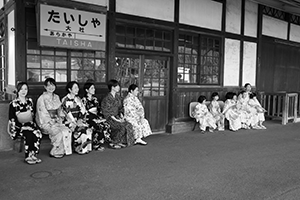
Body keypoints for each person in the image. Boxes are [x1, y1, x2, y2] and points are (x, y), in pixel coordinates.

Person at [36, 78, 72, 158]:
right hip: (46, 122)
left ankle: (62, 150)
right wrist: (50, 121)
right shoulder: (41, 98)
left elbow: (59, 110)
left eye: (52, 85)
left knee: (66, 130)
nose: (51, 87)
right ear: (45, 87)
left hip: (56, 120)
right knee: (57, 131)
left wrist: (61, 117)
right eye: (48, 85)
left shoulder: (56, 97)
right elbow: (42, 112)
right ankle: (55, 151)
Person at [8, 82, 42, 165]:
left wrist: (32, 125)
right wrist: (23, 127)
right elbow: (12, 119)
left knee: (38, 134)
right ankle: (28, 156)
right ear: (18, 90)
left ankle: (33, 154)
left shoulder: (29, 101)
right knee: (28, 134)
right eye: (21, 89)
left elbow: (33, 115)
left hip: (30, 123)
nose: (24, 91)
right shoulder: (13, 104)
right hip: (19, 126)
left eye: (25, 89)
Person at [101, 79, 135, 148]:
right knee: (122, 126)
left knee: (128, 124)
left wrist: (122, 117)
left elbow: (121, 108)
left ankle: (120, 141)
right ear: (112, 87)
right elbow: (108, 113)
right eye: (117, 86)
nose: (119, 87)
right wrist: (118, 120)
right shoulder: (106, 99)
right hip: (110, 118)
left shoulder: (118, 97)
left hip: (117, 117)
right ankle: (113, 142)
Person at [61, 81, 92, 155]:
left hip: (78, 120)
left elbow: (83, 110)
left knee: (84, 127)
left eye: (77, 87)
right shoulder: (65, 99)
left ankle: (82, 147)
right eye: (75, 88)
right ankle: (79, 148)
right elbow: (67, 113)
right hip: (68, 121)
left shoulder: (78, 99)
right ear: (69, 89)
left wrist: (80, 119)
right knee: (79, 128)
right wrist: (74, 121)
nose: (77, 89)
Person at [82, 82, 112, 151]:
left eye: (94, 88)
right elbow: (85, 112)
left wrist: (101, 118)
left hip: (96, 117)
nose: (94, 89)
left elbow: (99, 110)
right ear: (87, 90)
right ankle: (96, 144)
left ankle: (105, 141)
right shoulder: (84, 100)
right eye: (92, 88)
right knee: (99, 126)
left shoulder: (95, 99)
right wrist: (94, 119)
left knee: (106, 125)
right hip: (88, 118)